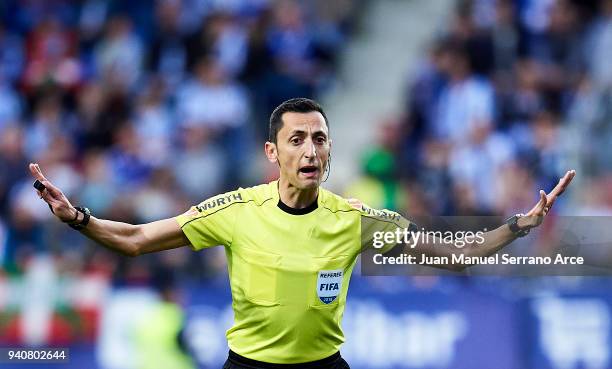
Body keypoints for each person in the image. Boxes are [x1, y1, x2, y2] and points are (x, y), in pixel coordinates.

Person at [29, 98, 575, 369]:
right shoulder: (237, 209)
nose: (311, 150)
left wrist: (519, 225)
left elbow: (458, 252)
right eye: (297, 140)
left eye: (320, 138)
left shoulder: (353, 218)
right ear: (273, 153)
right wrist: (79, 218)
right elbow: (137, 239)